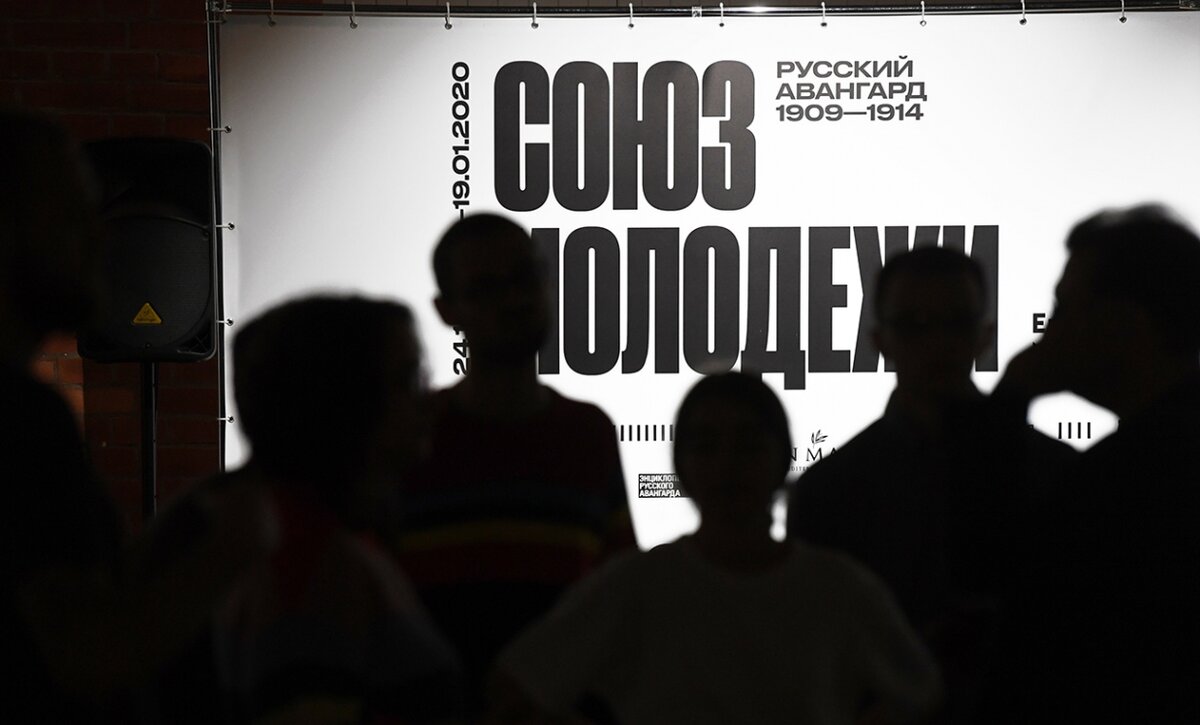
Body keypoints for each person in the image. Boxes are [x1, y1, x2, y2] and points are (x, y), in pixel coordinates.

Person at [0, 108, 267, 722]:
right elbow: (89, 655)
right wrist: (234, 543)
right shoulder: (22, 420)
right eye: (72, 216)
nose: (103, 240)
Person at [492, 372, 942, 725]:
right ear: (682, 465)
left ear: (781, 456)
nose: (728, 465)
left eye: (748, 445)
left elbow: (921, 695)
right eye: (707, 447)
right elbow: (516, 689)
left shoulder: (839, 587)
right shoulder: (637, 584)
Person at [788, 247, 1075, 722]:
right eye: (915, 325)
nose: (938, 343)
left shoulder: (831, 486)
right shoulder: (828, 490)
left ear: (984, 336)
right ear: (881, 340)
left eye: (955, 323)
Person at [388, 213, 636, 715]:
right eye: (486, 288)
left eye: (525, 278)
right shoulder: (408, 437)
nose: (514, 299)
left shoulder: (588, 434)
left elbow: (620, 599)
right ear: (446, 310)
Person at [978, 205, 1200, 725]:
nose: (1048, 333)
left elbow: (995, 576)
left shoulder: (1121, 480)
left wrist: (1009, 400)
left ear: (1125, 323)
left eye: (1064, 309)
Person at [215, 295, 463, 724]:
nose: (431, 401)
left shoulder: (314, 538)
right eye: (408, 381)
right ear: (344, 398)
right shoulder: (316, 564)